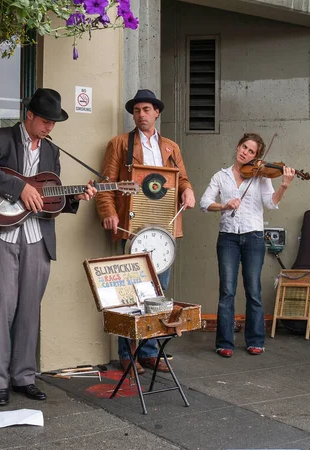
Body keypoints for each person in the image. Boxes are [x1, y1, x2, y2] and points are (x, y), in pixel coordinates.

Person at [0, 88, 96, 406]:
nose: (50, 127)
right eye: (45, 120)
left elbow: (48, 199)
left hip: (38, 238)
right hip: (1, 236)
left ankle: (24, 377)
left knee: (29, 311)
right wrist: (20, 187)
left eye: (54, 122)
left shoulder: (52, 152)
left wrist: (73, 198)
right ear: (29, 115)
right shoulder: (0, 137)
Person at [96, 89, 195, 375]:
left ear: (157, 113)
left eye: (146, 110)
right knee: (129, 294)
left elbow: (183, 180)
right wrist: (109, 213)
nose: (141, 115)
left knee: (157, 293)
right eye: (137, 110)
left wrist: (187, 192)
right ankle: (127, 354)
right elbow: (107, 184)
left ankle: (150, 352)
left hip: (162, 229)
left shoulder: (171, 147)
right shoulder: (119, 144)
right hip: (132, 228)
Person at [199, 133, 295, 358]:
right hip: (228, 238)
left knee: (253, 290)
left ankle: (255, 340)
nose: (246, 153)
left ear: (256, 156)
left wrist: (285, 186)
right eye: (244, 147)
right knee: (227, 290)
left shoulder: (261, 177)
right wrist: (224, 205)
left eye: (251, 152)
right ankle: (224, 343)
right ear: (238, 145)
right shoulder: (221, 176)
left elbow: (270, 204)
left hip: (253, 238)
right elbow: (204, 203)